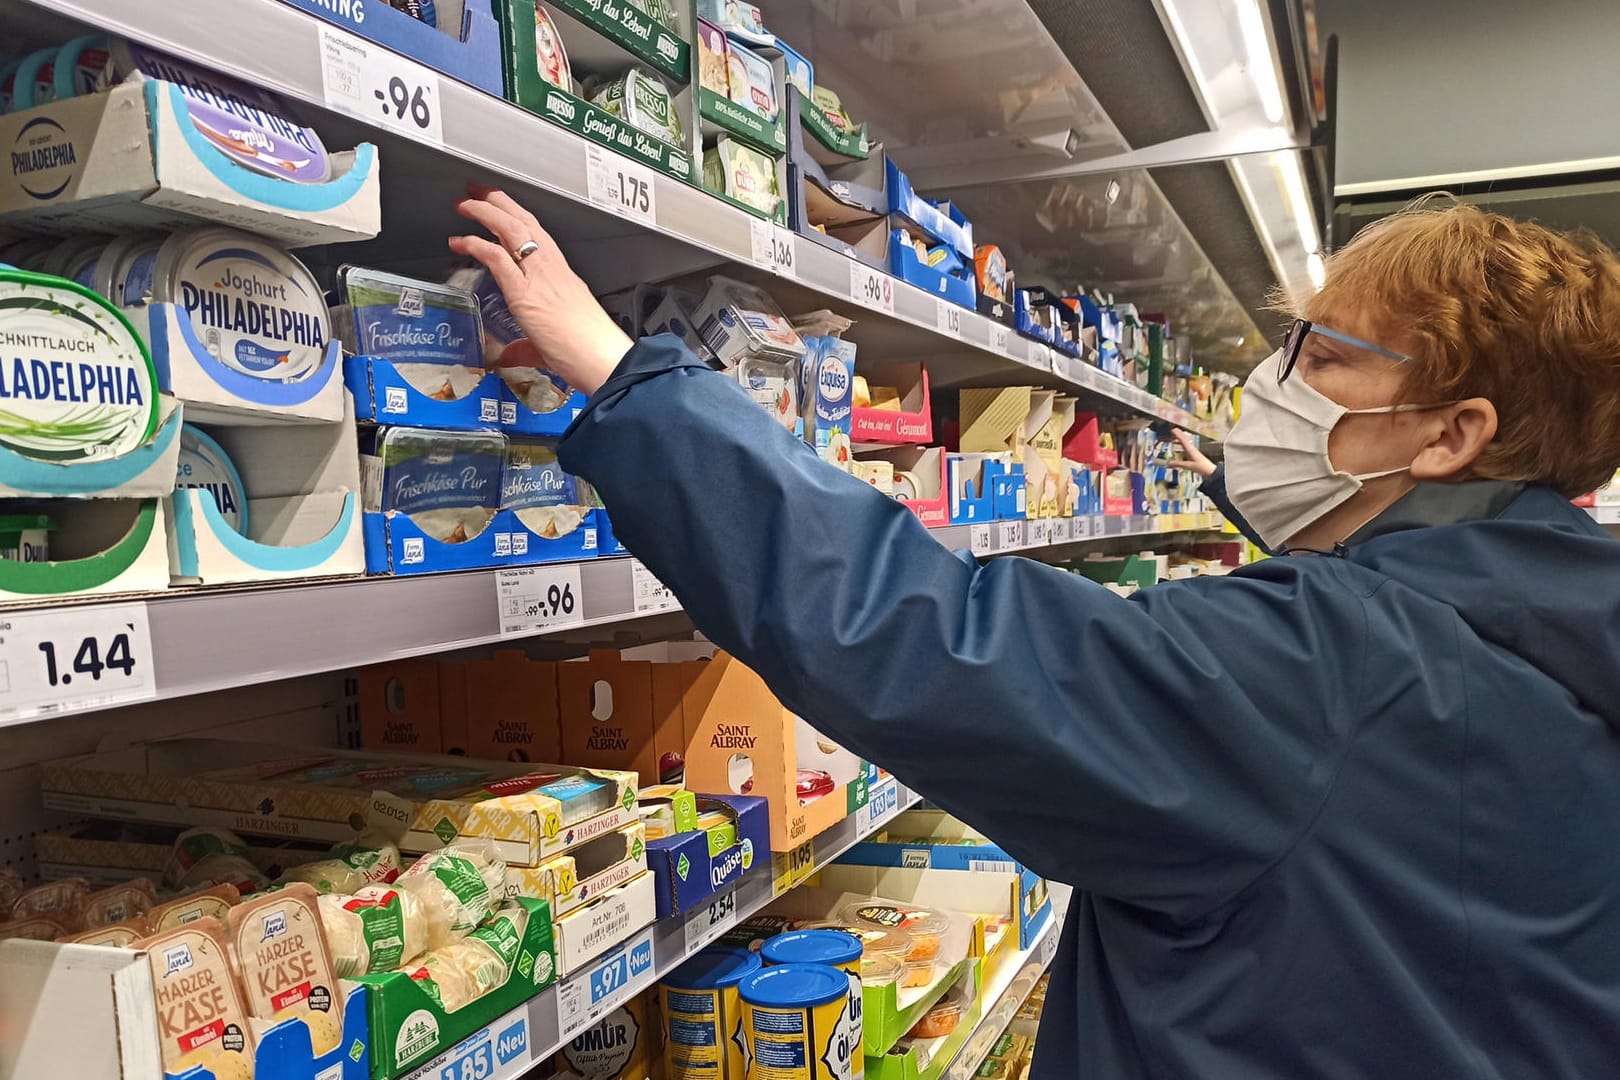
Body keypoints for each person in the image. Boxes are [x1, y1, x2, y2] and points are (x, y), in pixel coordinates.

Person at [451, 189, 1620, 1078]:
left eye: (1322, 357)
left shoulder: (1345, 665)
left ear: (1453, 434)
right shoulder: (1555, 632)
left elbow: (930, 641)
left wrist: (624, 374)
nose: (1277, 383)